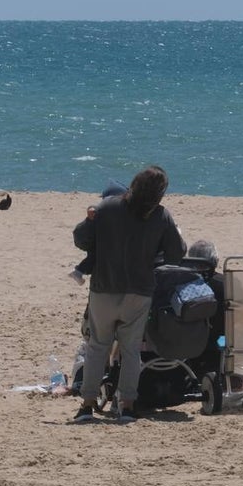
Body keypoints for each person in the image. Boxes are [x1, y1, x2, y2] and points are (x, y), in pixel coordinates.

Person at [71, 165, 186, 424]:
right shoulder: (160, 216)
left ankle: (88, 405)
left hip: (104, 288)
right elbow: (176, 254)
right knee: (131, 349)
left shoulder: (107, 207)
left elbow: (81, 240)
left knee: (97, 346)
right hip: (139, 292)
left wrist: (89, 222)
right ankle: (127, 406)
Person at [184, 239, 243, 410]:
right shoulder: (229, 285)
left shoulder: (183, 286)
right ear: (215, 261)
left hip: (188, 363)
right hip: (224, 363)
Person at [68, 181, 127, 285]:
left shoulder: (132, 217)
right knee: (95, 254)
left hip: (122, 275)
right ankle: (79, 271)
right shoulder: (98, 218)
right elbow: (81, 241)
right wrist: (89, 221)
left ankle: (79, 271)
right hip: (104, 275)